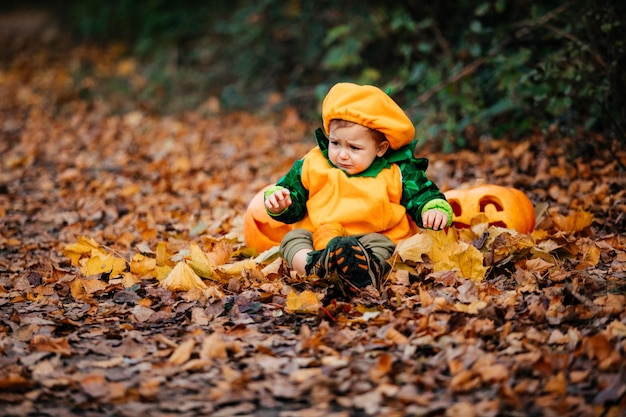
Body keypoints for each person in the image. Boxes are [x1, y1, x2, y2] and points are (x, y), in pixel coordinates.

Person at [264, 82, 452, 290]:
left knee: (385, 246)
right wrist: (283, 204)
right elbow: (293, 193)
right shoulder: (312, 163)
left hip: (373, 237)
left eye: (354, 148)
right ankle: (315, 267)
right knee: (293, 239)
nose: (342, 154)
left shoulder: (396, 171)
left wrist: (432, 206)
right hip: (319, 235)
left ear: (380, 149)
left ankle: (366, 271)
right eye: (335, 143)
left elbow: (421, 192)